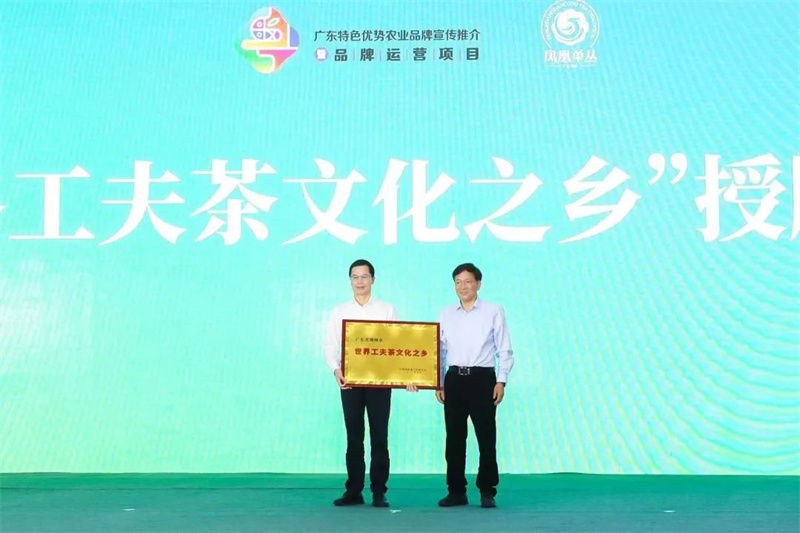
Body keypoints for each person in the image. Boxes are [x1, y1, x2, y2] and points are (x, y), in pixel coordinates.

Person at [324, 259, 415, 508]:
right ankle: (353, 490)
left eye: (364, 276)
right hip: (350, 382)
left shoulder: (386, 310)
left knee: (379, 436)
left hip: (380, 383)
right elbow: (330, 345)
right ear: (350, 281)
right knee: (354, 437)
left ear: (373, 279)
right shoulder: (339, 311)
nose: (360, 281)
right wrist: (336, 370)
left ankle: (378, 491)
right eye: (355, 277)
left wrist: (408, 376)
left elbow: (399, 345)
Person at [435, 262, 514, 509]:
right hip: (454, 379)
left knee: (486, 437)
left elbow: (504, 348)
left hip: (483, 379)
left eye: (468, 281)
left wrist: (501, 380)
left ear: (478, 284)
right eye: (458, 282)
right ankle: (456, 491)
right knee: (454, 439)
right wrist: (439, 382)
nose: (463, 286)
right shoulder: (446, 313)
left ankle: (487, 490)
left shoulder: (493, 310)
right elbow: (440, 350)